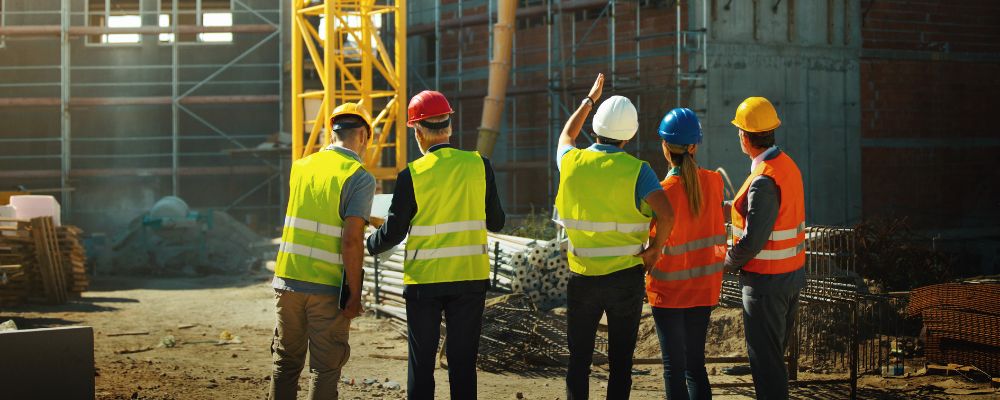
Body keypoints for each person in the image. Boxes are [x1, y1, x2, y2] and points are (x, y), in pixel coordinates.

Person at [366, 90, 505, 399]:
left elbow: (393, 234)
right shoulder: (480, 165)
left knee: (421, 363)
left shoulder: (411, 175)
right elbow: (497, 222)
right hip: (470, 279)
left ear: (418, 132)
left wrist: (368, 243)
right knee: (463, 363)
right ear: (449, 128)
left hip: (424, 283)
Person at [555, 73, 675, 400]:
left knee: (578, 360)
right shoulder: (639, 171)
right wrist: (654, 251)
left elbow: (567, 133)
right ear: (631, 134)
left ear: (595, 128)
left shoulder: (571, 162)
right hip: (626, 278)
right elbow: (666, 214)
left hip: (582, 278)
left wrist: (589, 100)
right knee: (621, 364)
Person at [269, 102, 375, 400]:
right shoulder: (359, 177)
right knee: (325, 370)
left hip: (286, 282)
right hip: (326, 290)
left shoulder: (301, 167)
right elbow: (352, 240)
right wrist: (354, 293)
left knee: (285, 365)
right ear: (365, 136)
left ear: (332, 132)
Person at [725, 97, 806, 400]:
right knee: (774, 361)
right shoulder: (787, 166)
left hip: (766, 284)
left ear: (745, 137)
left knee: (767, 366)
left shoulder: (763, 179)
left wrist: (726, 261)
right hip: (788, 278)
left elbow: (754, 240)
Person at [646, 108, 726, 400]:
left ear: (665, 146)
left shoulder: (661, 191)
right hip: (703, 290)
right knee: (696, 367)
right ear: (694, 146)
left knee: (674, 368)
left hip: (668, 292)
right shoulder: (715, 183)